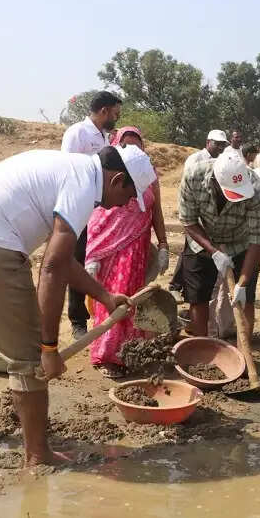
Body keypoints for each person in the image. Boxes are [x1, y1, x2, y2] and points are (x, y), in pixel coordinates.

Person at [0, 145, 155, 465]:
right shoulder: (83, 186)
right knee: (28, 359)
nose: (127, 204)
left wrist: (105, 297)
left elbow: (63, 262)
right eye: (129, 195)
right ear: (117, 179)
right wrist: (48, 348)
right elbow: (52, 268)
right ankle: (38, 456)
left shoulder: (73, 169)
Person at [84, 127, 169, 378]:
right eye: (126, 145)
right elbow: (97, 217)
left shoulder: (148, 175)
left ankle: (132, 351)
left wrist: (163, 245)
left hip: (139, 247)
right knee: (112, 297)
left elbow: (157, 211)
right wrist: (93, 256)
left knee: (135, 299)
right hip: (112, 249)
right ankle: (108, 354)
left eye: (137, 145)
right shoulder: (108, 181)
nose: (132, 148)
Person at [179, 151, 260, 337]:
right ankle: (202, 349)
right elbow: (188, 221)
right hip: (202, 240)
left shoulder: (256, 189)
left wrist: (242, 284)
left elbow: (258, 239)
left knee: (246, 300)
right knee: (198, 297)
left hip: (240, 242)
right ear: (216, 182)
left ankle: (244, 351)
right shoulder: (193, 177)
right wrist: (214, 251)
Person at [60, 91, 123, 340]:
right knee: (76, 261)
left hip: (100, 212)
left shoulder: (106, 137)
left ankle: (98, 309)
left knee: (95, 264)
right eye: (115, 114)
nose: (116, 119)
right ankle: (78, 320)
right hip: (80, 210)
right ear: (105, 110)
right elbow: (67, 169)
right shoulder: (78, 133)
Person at [169, 130, 230, 297]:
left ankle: (182, 285)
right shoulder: (195, 159)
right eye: (217, 144)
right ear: (208, 142)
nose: (220, 147)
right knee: (191, 247)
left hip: (211, 214)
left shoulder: (223, 161)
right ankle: (177, 285)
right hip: (195, 211)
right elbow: (188, 187)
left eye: (222, 144)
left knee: (195, 249)